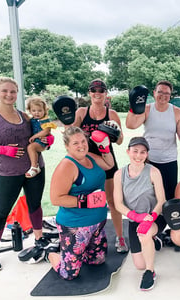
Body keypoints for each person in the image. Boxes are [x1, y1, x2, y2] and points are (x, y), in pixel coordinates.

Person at [0, 77, 49, 271]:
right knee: (2, 211)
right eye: (4, 91)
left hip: (35, 168)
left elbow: (43, 132)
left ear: (17, 93)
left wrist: (45, 142)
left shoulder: (24, 115)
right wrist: (1, 149)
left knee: (35, 205)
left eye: (13, 91)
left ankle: (39, 240)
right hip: (8, 172)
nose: (9, 95)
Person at [47, 126, 114, 280]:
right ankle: (50, 253)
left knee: (97, 261)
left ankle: (78, 253)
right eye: (75, 143)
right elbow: (56, 198)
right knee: (69, 274)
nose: (81, 145)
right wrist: (85, 201)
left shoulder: (89, 156)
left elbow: (109, 164)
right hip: (75, 226)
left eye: (83, 141)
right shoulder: (67, 166)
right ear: (67, 146)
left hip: (98, 223)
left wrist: (104, 147)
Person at [71, 79, 128, 253]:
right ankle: (89, 238)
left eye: (101, 90)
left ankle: (120, 238)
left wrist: (113, 132)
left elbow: (120, 141)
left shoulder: (112, 114)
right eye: (93, 90)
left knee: (112, 200)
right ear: (89, 93)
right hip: (85, 162)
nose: (97, 93)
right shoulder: (82, 112)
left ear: (105, 93)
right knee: (89, 201)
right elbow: (71, 135)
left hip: (107, 161)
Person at [113, 137, 166, 291]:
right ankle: (154, 240)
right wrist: (136, 217)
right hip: (135, 219)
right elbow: (118, 204)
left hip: (155, 217)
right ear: (128, 152)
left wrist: (150, 218)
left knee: (144, 235)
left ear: (147, 154)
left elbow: (161, 201)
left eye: (143, 152)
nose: (138, 155)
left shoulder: (153, 172)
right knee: (138, 264)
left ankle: (150, 272)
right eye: (135, 151)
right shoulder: (119, 174)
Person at [126, 80, 180, 200]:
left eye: (167, 93)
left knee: (168, 197)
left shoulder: (177, 112)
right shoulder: (146, 109)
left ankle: (166, 219)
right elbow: (130, 125)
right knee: (149, 196)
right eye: (160, 92)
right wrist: (133, 108)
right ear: (154, 93)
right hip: (149, 160)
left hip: (169, 160)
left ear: (170, 95)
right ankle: (150, 219)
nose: (163, 95)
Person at [25, 96, 57, 178]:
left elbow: (46, 131)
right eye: (34, 110)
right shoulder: (32, 119)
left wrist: (35, 136)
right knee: (31, 148)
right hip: (37, 141)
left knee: (31, 147)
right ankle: (35, 166)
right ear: (30, 110)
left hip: (41, 142)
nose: (37, 113)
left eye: (39, 110)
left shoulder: (45, 120)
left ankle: (34, 167)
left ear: (44, 110)